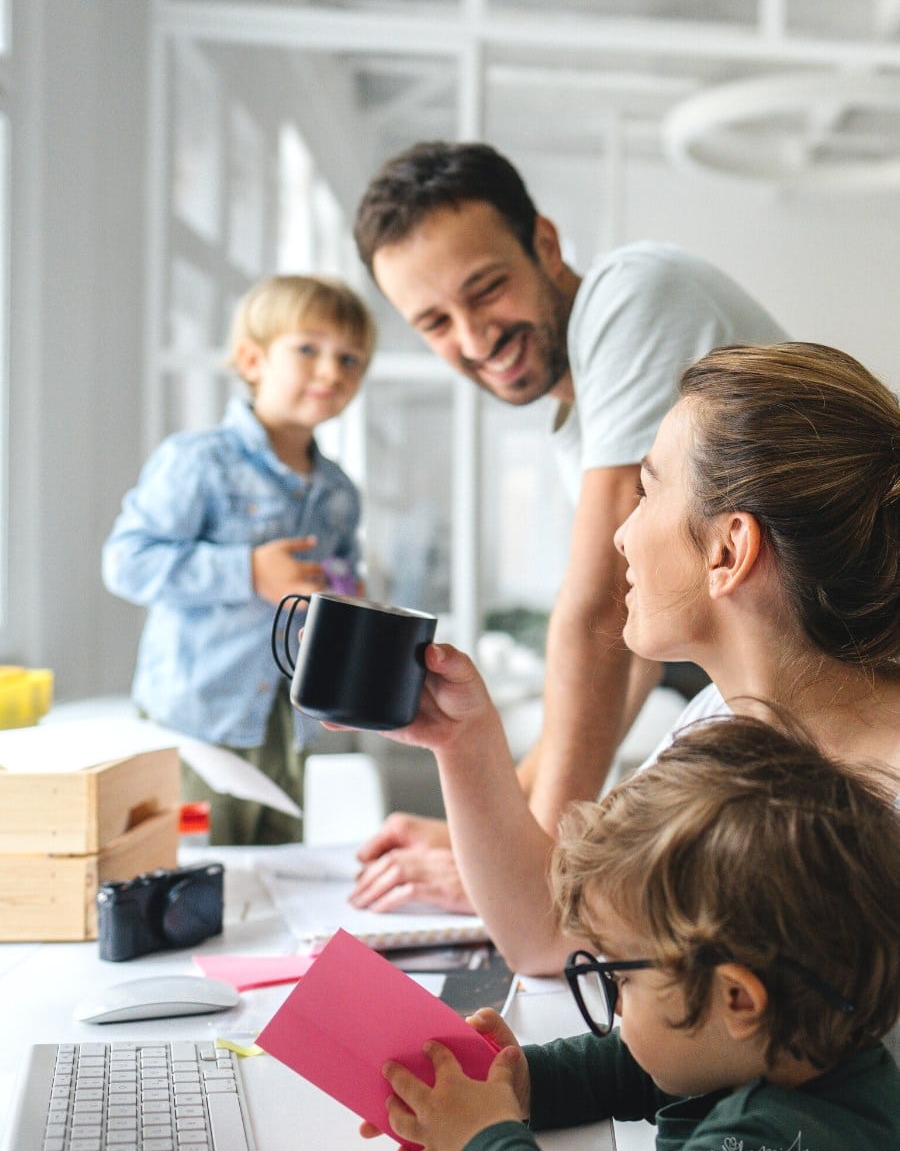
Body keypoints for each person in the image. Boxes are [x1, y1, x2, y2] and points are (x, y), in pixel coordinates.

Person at [342, 342, 899, 972]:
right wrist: (464, 741)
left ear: (728, 549)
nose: (621, 534)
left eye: (646, 491)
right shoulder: (714, 721)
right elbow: (553, 934)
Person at [350, 140, 787, 914]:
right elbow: (635, 651)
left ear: (544, 245)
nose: (475, 336)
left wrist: (531, 872)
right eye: (436, 322)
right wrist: (495, 829)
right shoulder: (574, 419)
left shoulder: (630, 296)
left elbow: (595, 616)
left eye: (486, 290)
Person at [370, 717, 900, 1151]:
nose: (617, 1005)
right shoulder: (803, 1052)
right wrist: (521, 1081)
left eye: (622, 979)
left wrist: (477, 1139)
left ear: (738, 999)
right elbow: (650, 1065)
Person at [102, 274, 375, 844]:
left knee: (278, 870)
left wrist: (350, 606)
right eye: (308, 349)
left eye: (350, 359)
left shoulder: (340, 492)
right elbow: (128, 560)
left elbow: (344, 584)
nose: (332, 371)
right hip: (197, 722)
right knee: (197, 872)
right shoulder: (198, 462)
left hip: (288, 719)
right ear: (252, 360)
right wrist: (248, 572)